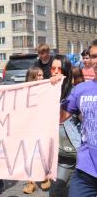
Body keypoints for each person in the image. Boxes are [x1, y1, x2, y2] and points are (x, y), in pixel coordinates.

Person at [59, 39, 97, 197]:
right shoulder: (81, 90)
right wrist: (51, 87)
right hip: (86, 172)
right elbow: (59, 118)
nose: (96, 61)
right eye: (94, 56)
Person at [49, 55, 78, 197]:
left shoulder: (74, 93)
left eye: (59, 69)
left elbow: (61, 116)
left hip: (73, 153)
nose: (55, 72)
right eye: (53, 68)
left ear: (66, 71)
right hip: (55, 153)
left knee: (57, 191)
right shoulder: (45, 90)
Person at [22, 67, 51, 194]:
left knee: (43, 152)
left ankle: (45, 177)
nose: (41, 77)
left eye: (42, 75)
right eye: (38, 75)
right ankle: (31, 182)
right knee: (29, 154)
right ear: (32, 77)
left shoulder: (47, 89)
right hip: (28, 126)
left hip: (43, 125)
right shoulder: (24, 91)